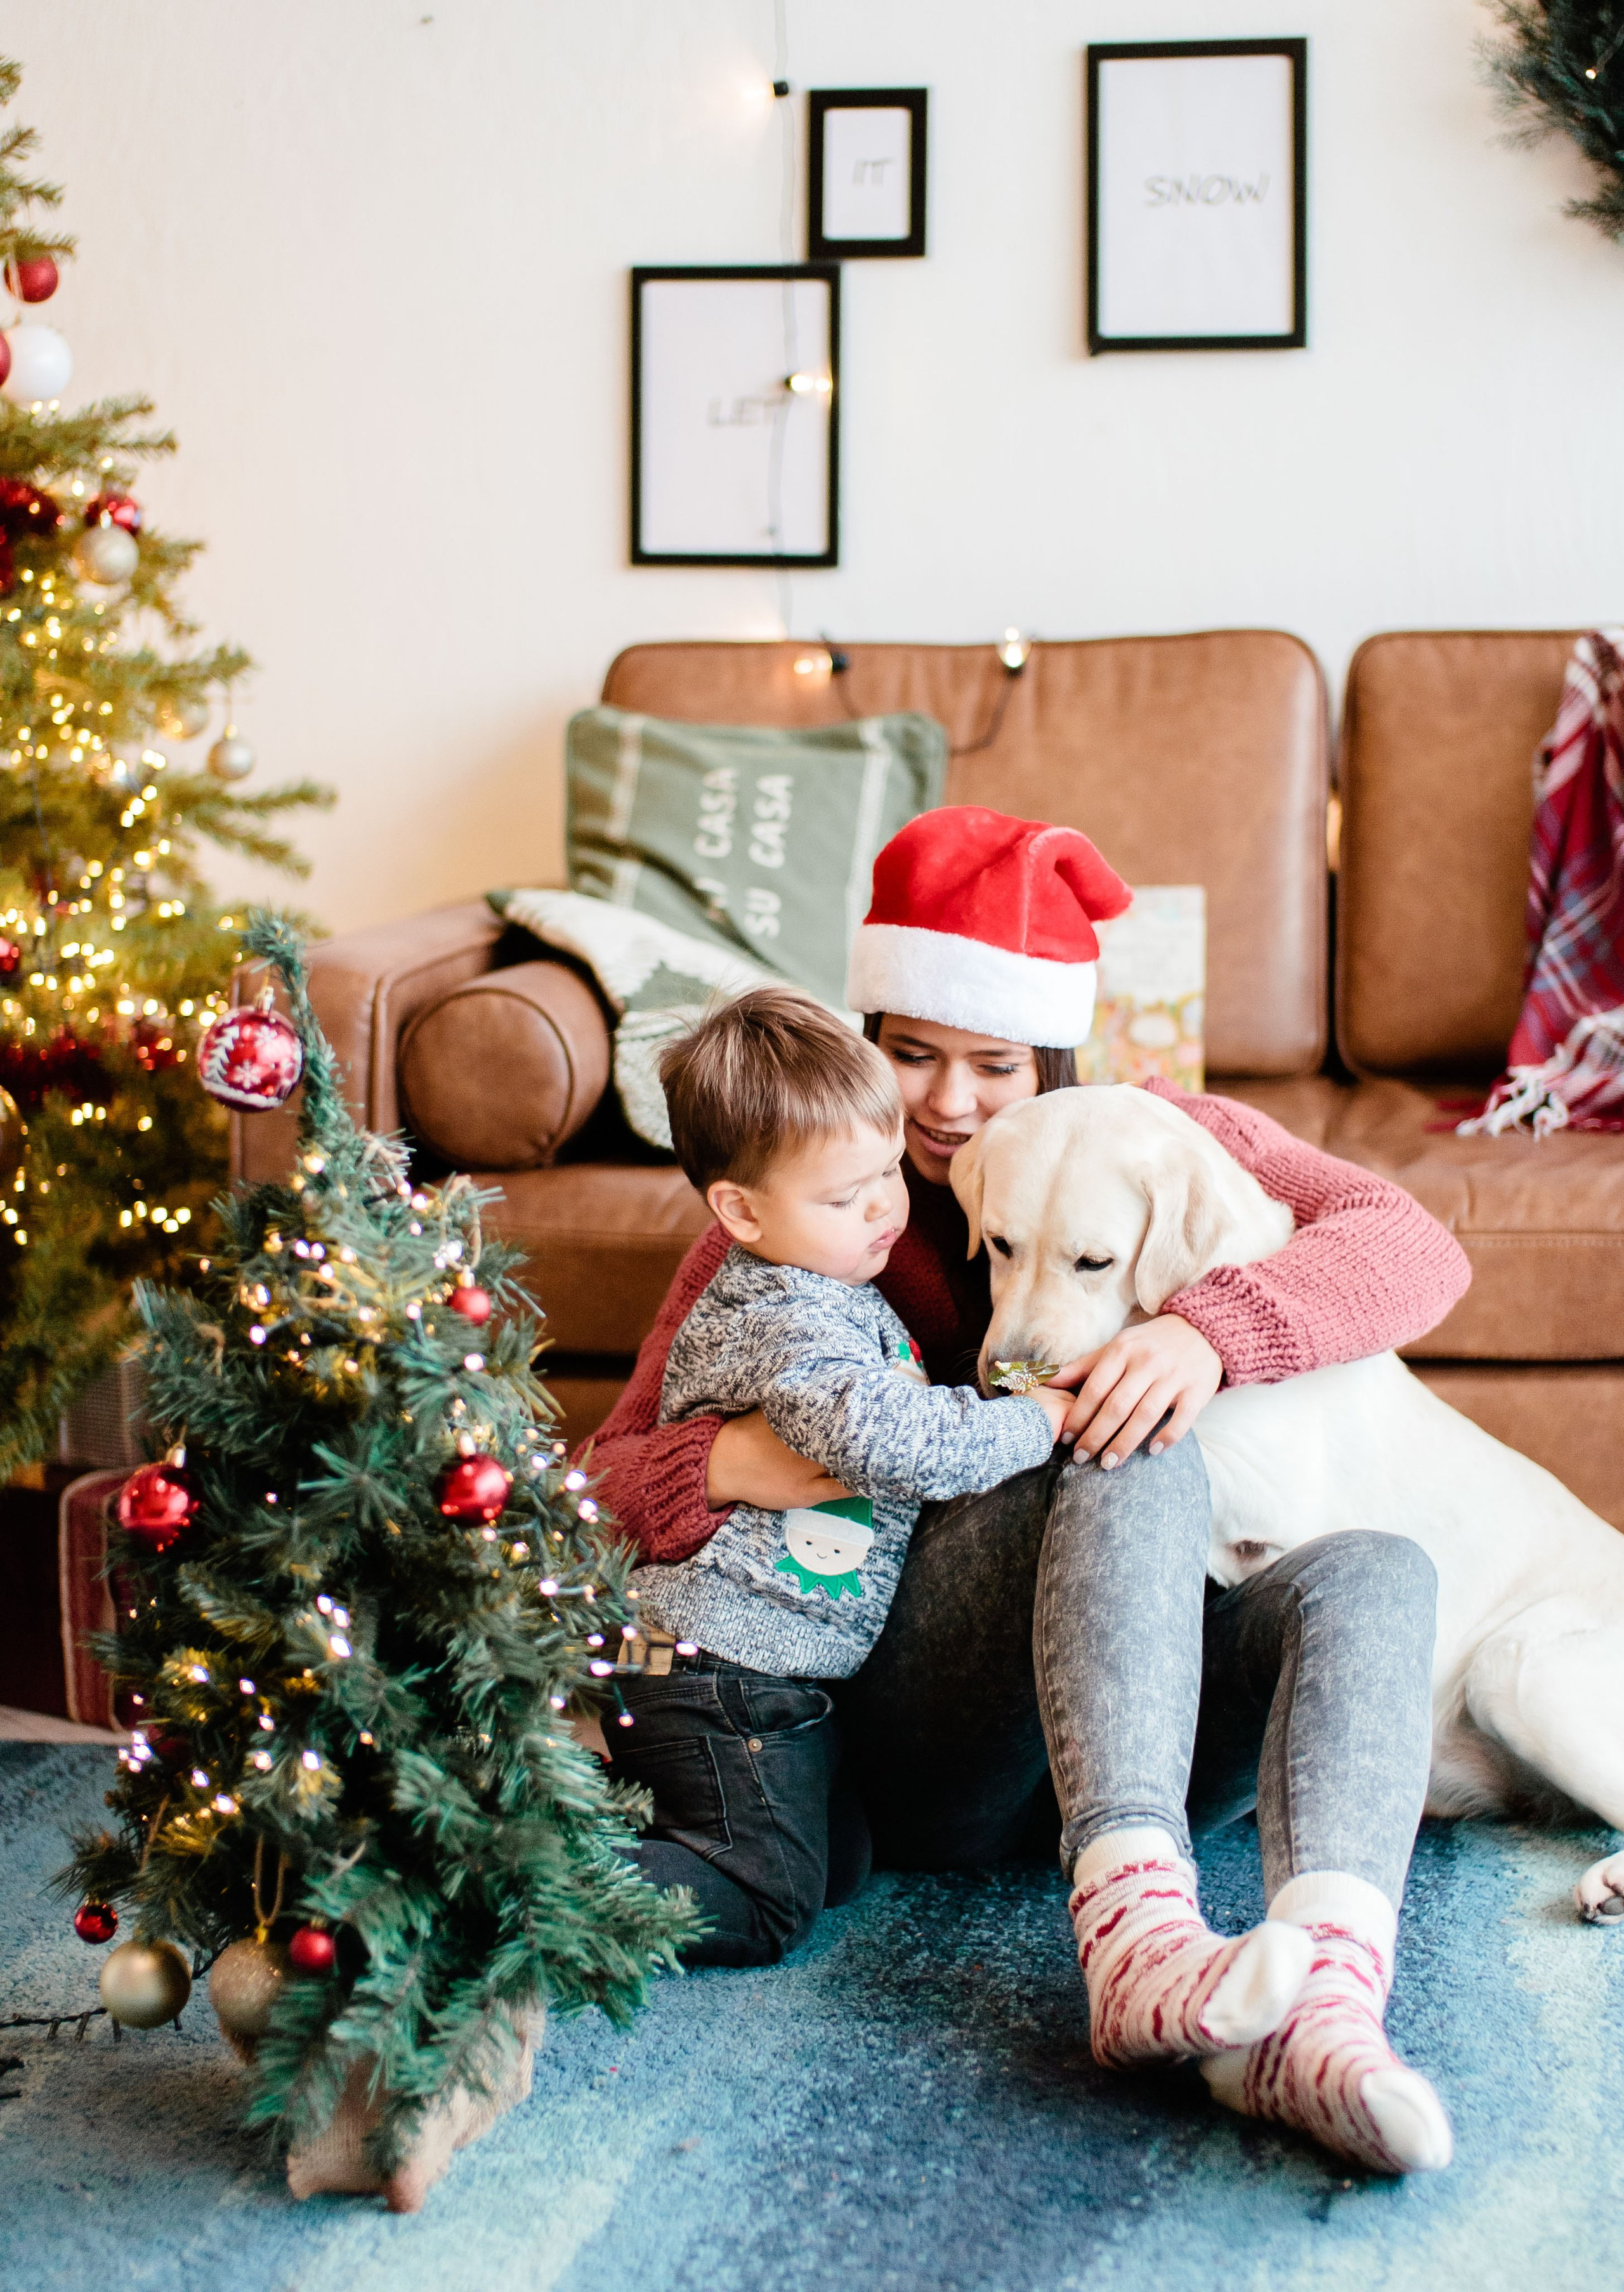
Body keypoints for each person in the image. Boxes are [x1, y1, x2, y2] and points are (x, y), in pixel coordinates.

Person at [586, 805, 1473, 2177]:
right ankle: (1131, 1936)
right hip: (928, 1728)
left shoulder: (1156, 1133)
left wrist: (1204, 1331)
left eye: (992, 1064)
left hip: (1142, 1695)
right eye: (912, 1056)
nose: (945, 1106)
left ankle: (1327, 2012)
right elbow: (591, 1478)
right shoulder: (793, 1213)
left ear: (1049, 1053)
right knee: (1121, 1433)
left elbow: (1409, 1245)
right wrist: (711, 1465)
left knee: (1378, 1570)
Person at [621, 986, 1076, 1965]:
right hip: (722, 1670)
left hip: (788, 1675)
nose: (884, 1208)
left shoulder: (833, 1283)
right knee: (766, 1901)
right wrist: (1034, 1420)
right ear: (740, 1212)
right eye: (843, 1196)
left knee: (842, 1865)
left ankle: (626, 1808)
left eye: (885, 1172)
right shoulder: (786, 1317)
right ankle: (529, 1873)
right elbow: (898, 1441)